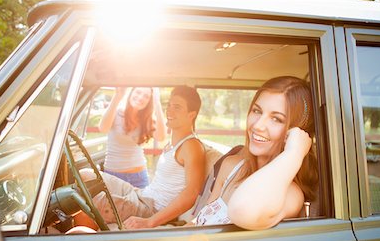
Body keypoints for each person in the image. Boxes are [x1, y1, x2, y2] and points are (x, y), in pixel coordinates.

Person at [191, 76, 318, 230]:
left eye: (276, 119)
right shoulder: (231, 166)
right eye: (257, 111)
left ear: (294, 132)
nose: (258, 125)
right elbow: (198, 223)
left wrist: (294, 152)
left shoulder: (291, 195)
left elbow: (243, 210)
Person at [76, 86, 206, 230]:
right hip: (142, 194)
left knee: (84, 203)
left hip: (150, 207)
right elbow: (103, 126)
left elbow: (192, 193)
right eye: (169, 105)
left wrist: (150, 222)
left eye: (177, 107)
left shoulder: (191, 146)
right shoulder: (173, 143)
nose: (169, 110)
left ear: (191, 115)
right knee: (85, 174)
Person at [98, 87, 166, 188]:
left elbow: (161, 137)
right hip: (113, 176)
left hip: (138, 176)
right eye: (138, 92)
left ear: (149, 102)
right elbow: (103, 128)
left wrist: (157, 103)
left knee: (144, 204)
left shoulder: (146, 120)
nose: (141, 97)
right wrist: (117, 97)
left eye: (146, 96)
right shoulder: (116, 112)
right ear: (131, 92)